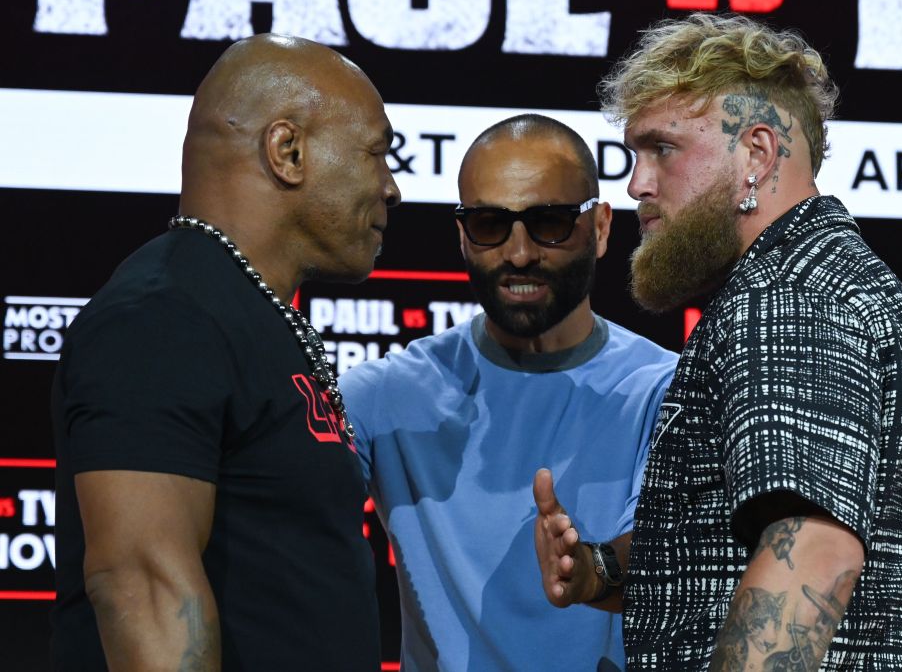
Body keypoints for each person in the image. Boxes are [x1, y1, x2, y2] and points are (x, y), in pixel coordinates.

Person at [535, 13, 902, 670]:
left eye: (663, 149)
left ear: (757, 154)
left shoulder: (786, 293)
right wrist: (598, 570)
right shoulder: (828, 279)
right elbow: (742, 540)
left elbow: (812, 547)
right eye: (633, 156)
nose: (637, 184)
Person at [50, 34, 400, 671]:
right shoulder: (161, 317)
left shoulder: (242, 310)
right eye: (376, 153)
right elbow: (143, 587)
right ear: (287, 151)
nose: (391, 187)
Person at [338, 114, 677, 671]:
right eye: (491, 224)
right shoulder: (385, 400)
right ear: (463, 235)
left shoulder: (662, 391)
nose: (519, 253)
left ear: (599, 228)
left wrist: (590, 571)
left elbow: (682, 562)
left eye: (549, 222)